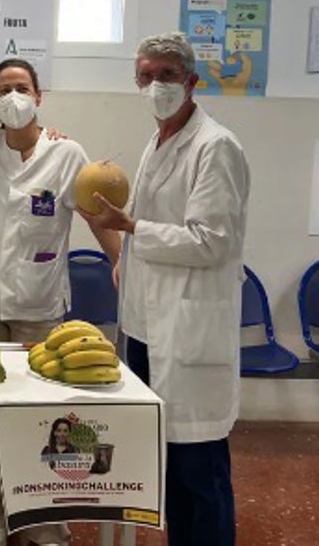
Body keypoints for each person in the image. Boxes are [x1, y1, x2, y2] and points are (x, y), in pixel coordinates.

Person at [80, 32, 250, 546]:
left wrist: (131, 231)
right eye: (147, 75)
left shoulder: (215, 146)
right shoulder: (157, 141)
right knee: (170, 469)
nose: (157, 85)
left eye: (168, 75)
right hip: (151, 329)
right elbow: (161, 227)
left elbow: (212, 242)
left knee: (202, 473)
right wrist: (126, 262)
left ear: (192, 82)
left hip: (189, 331)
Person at [0, 58, 121, 343]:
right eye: (4, 90)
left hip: (38, 302)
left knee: (38, 383)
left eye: (22, 89)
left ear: (38, 96)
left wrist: (120, 262)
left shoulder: (66, 153)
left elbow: (96, 216)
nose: (13, 97)